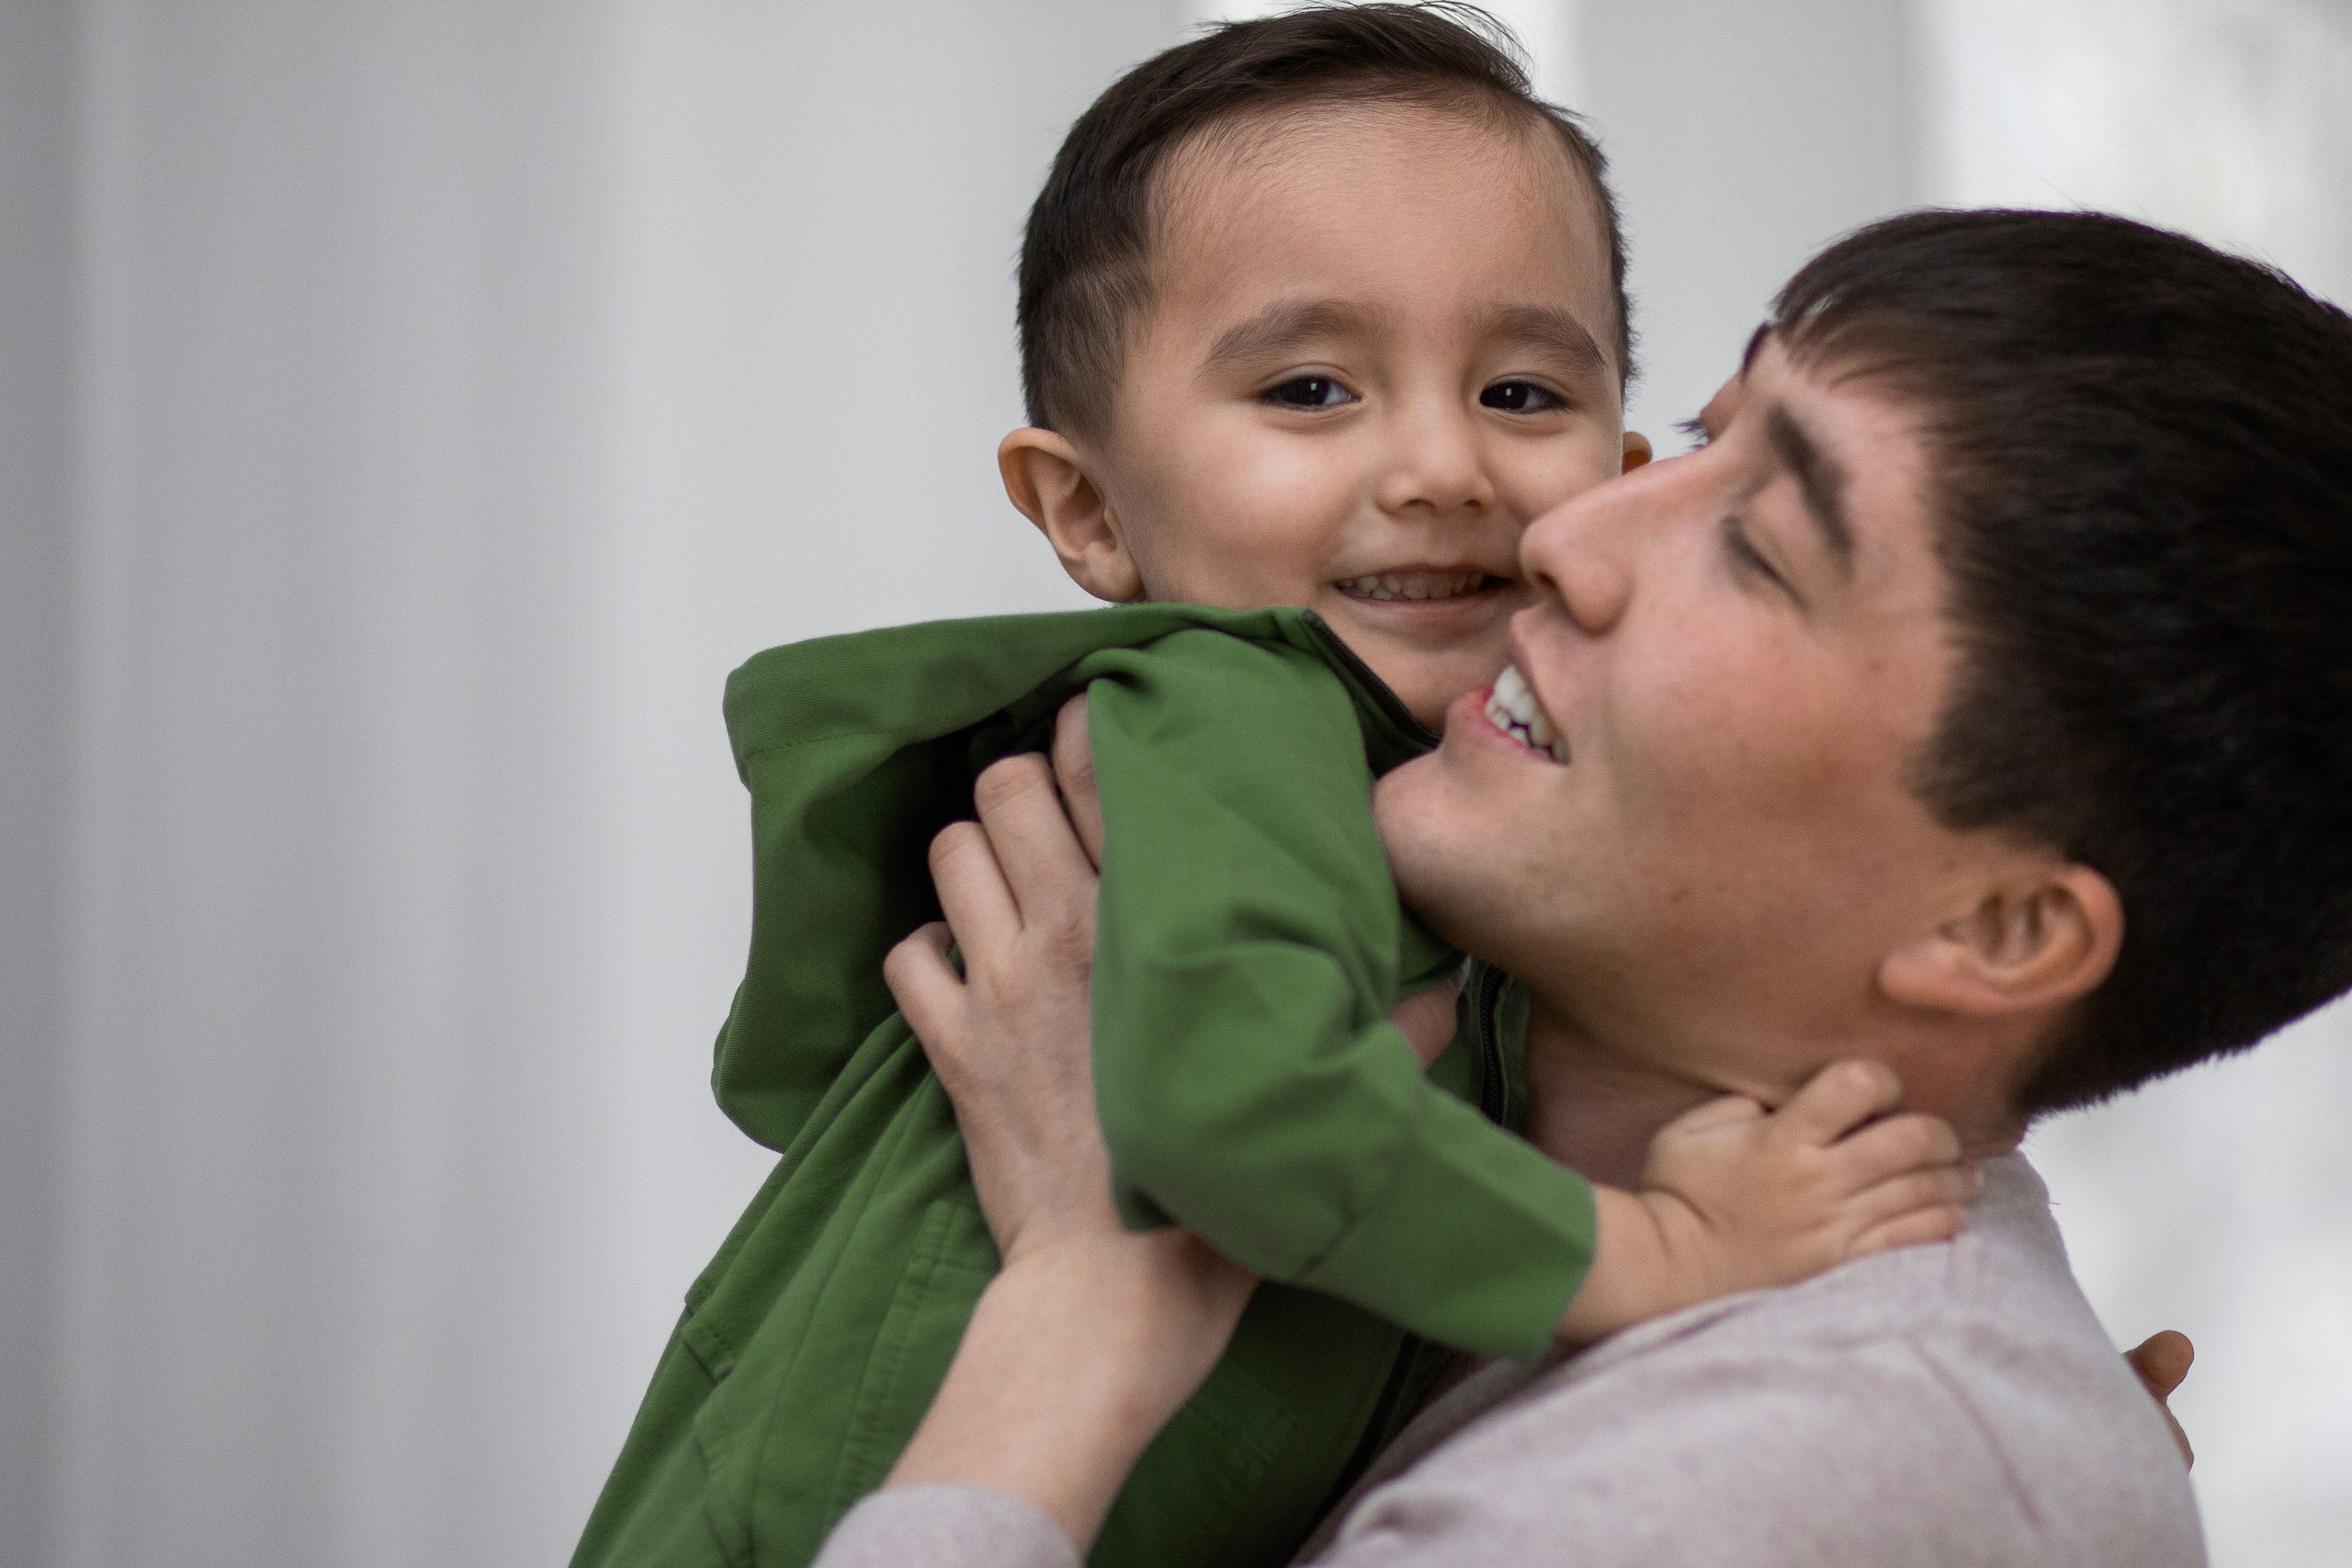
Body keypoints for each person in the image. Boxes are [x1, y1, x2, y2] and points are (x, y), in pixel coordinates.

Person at [571, 11, 1975, 1567]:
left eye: (1522, 395)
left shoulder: (1472, 810)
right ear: (1089, 513)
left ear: (1619, 478)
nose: (1441, 466)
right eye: (1310, 390)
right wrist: (1664, 1251)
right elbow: (1242, 1122)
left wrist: (1954, 1460)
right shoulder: (1238, 711)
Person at [824, 208, 2352, 1566]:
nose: (1560, 530)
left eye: (1761, 551)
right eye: (1697, 439)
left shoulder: (1796, 1469)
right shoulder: (1387, 1068)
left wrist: (1078, 1314)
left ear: (1996, 928)